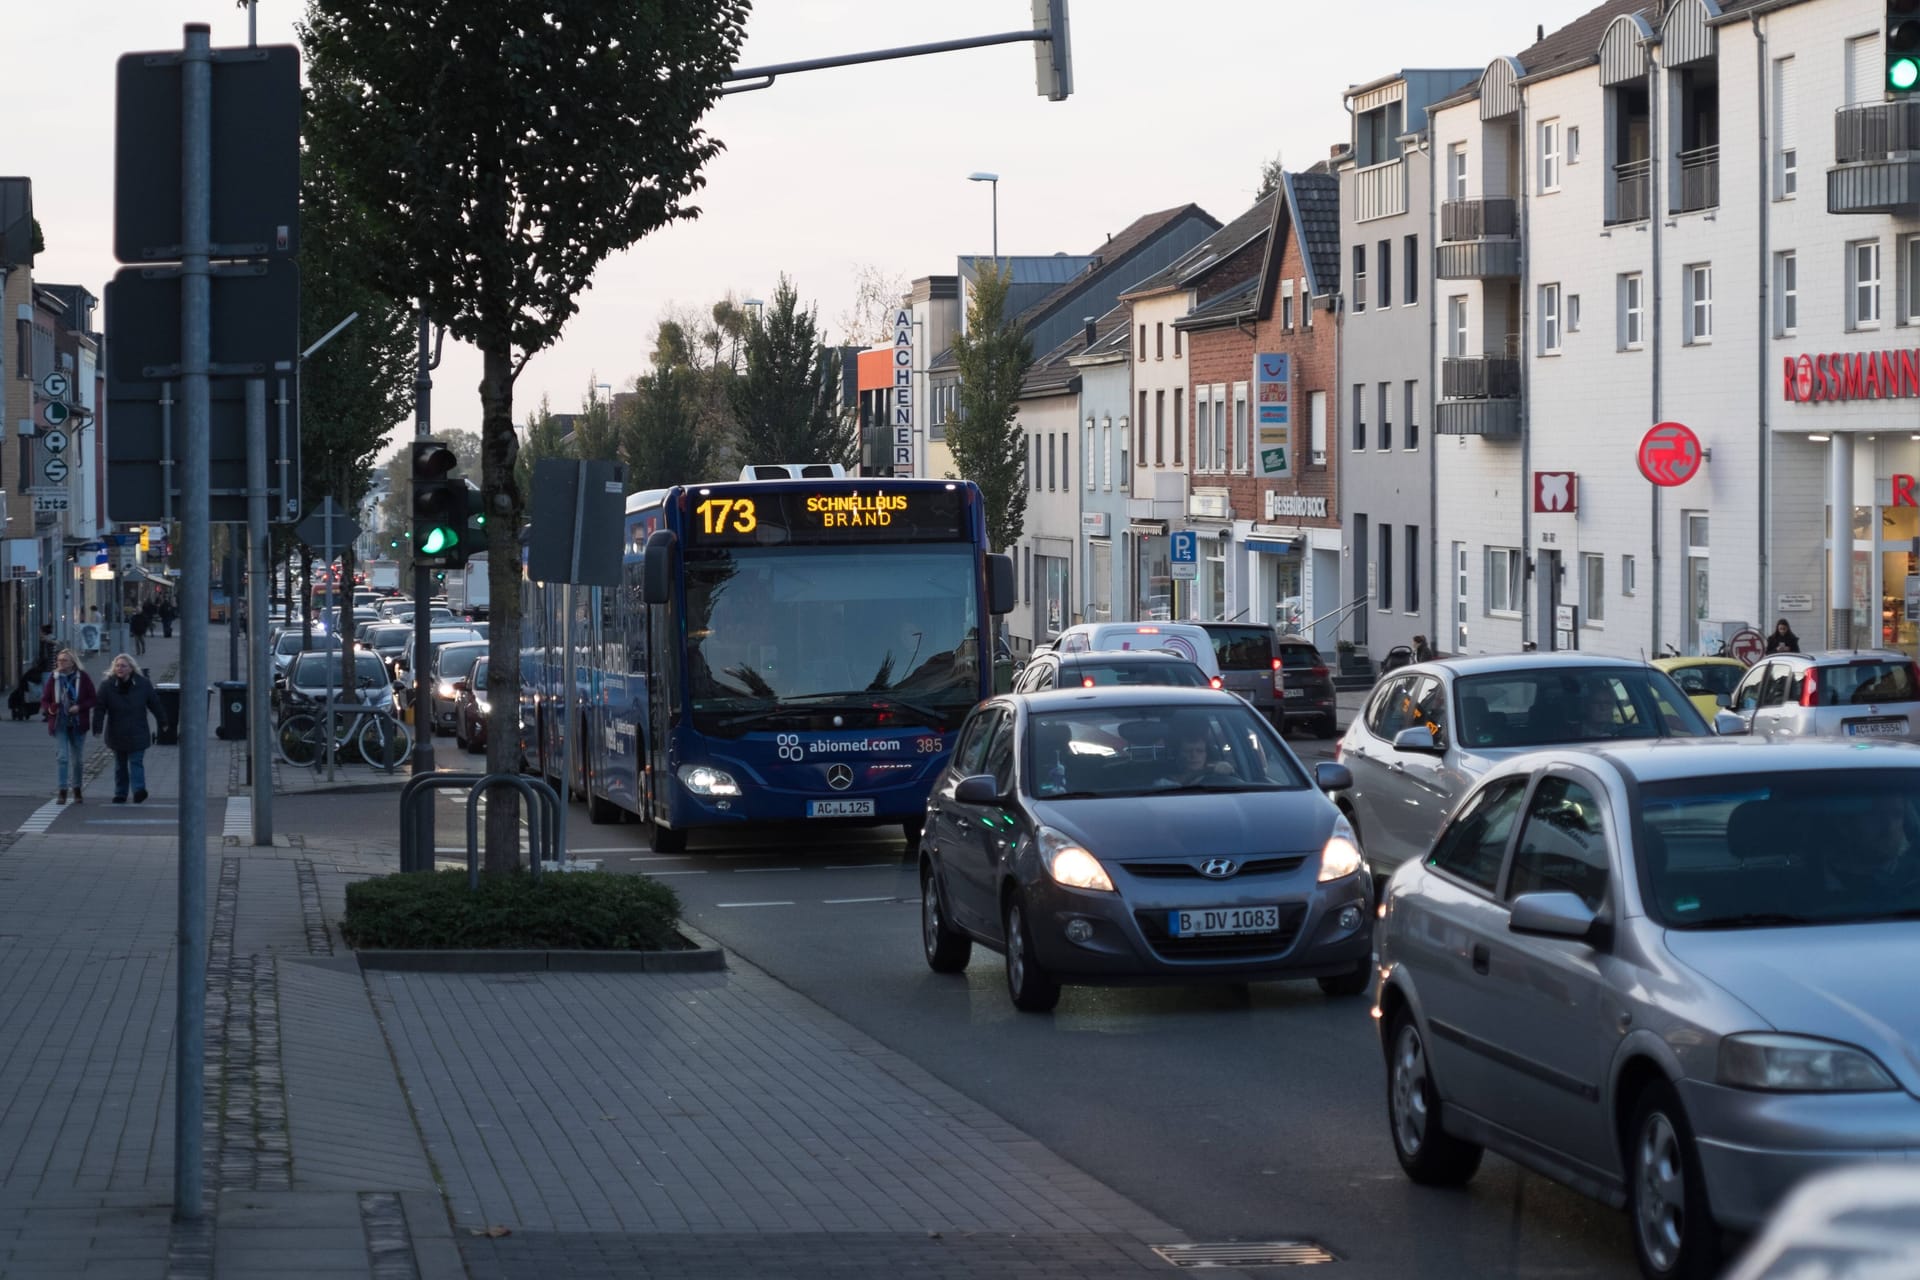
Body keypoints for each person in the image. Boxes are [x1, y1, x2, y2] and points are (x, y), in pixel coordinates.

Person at [93, 653, 168, 805]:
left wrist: (163, 721)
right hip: (117, 731)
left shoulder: (143, 684)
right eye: (117, 666)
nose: (119, 668)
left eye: (123, 666)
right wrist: (97, 726)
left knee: (136, 762)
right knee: (120, 765)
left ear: (131, 668)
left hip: (137, 730)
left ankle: (139, 791)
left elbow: (155, 704)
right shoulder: (108, 685)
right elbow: (99, 707)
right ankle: (120, 793)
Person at [40, 649, 96, 805]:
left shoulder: (83, 677)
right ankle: (62, 790)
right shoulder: (54, 678)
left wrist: (80, 707)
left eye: (64, 660)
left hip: (78, 722)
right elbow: (44, 699)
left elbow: (93, 698)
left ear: (73, 662)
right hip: (60, 722)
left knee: (77, 759)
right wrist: (51, 709)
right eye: (59, 660)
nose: (61, 663)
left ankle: (77, 788)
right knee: (62, 757)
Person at [1157, 721, 1235, 787]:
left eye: (1200, 751)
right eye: (1187, 751)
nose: (1194, 755)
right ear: (1177, 754)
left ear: (1206, 754)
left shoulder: (1219, 779)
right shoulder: (1164, 784)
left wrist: (1228, 770)